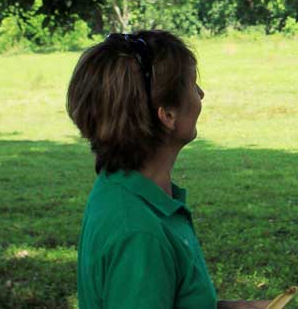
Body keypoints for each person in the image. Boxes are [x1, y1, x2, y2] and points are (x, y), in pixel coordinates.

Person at [67, 30, 270, 309]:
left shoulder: (119, 187)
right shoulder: (139, 233)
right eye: (192, 84)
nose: (201, 94)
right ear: (168, 115)